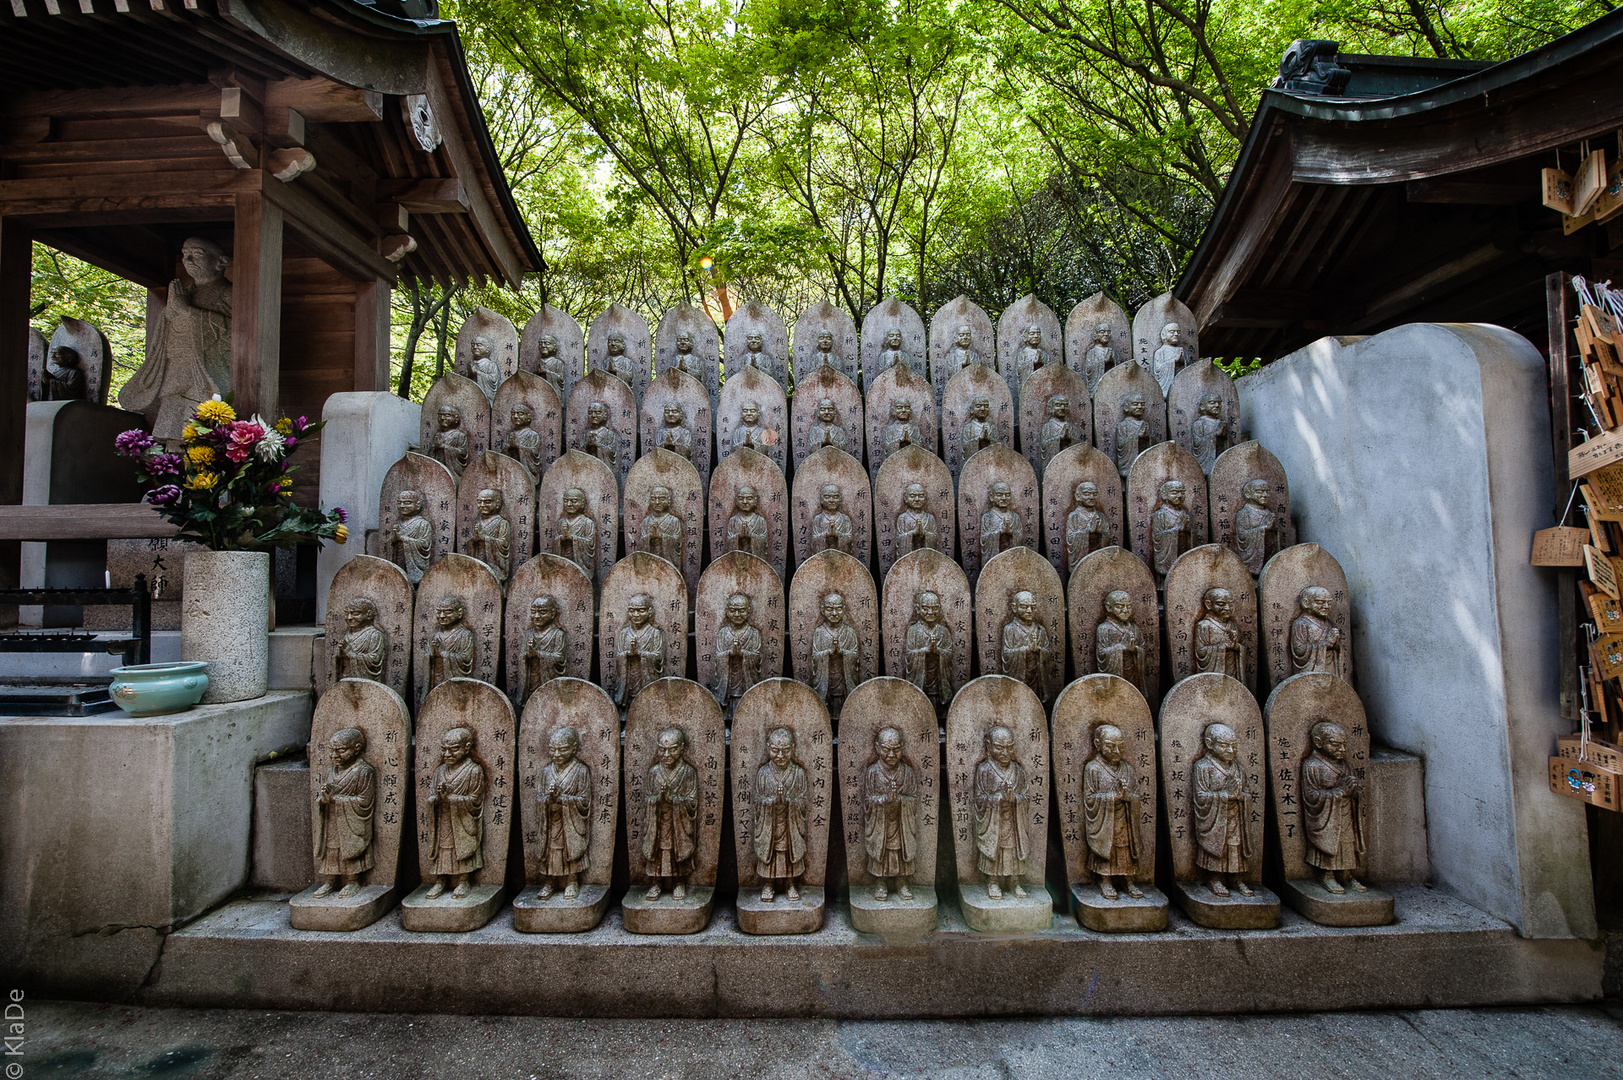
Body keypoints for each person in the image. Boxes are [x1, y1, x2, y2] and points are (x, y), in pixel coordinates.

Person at [119, 236, 232, 437]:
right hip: (175, 365)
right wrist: (170, 312)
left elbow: (236, 331)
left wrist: (188, 311)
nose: (188, 260)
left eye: (196, 254)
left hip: (206, 369)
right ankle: (170, 461)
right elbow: (167, 328)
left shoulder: (229, 293)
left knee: (203, 423)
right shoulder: (183, 293)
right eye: (184, 255)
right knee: (172, 424)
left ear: (221, 262)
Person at [1301, 721, 1367, 895]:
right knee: (1330, 843)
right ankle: (1327, 875)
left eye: (1344, 745)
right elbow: (1311, 795)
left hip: (1345, 812)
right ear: (1318, 742)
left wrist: (1354, 792)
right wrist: (1338, 792)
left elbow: (1356, 791)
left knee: (1346, 842)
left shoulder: (1345, 765)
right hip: (1326, 815)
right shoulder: (1312, 765)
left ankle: (1346, 874)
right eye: (1335, 744)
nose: (1342, 749)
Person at [311, 727, 376, 899]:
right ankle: (330, 880)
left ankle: (353, 881)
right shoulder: (330, 771)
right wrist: (324, 799)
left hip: (351, 821)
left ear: (356, 748)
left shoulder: (364, 771)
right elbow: (324, 796)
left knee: (349, 849)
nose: (334, 756)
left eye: (340, 751)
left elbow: (365, 801)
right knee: (332, 849)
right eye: (332, 751)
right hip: (332, 818)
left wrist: (338, 800)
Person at [1083, 724, 1144, 901]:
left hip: (1125, 819)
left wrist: (1127, 797)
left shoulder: (1128, 769)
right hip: (1105, 822)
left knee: (1125, 849)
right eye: (1111, 745)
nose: (1117, 750)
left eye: (1121, 746)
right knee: (1107, 850)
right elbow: (1090, 799)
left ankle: (1129, 880)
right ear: (1098, 744)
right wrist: (1111, 797)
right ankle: (1105, 880)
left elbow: (1137, 796)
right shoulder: (1093, 768)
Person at [1192, 722, 1254, 898]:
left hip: (1236, 816)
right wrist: (1224, 795)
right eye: (1224, 745)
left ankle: (1236, 878)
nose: (1230, 750)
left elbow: (1247, 793)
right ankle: (1215, 878)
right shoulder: (1203, 767)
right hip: (1215, 818)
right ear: (1210, 743)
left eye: (1233, 745)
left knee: (1235, 847)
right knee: (1218, 847)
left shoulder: (1238, 768)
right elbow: (1201, 797)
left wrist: (1241, 797)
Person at [425, 727, 486, 900]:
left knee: (460, 849)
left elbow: (475, 800)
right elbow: (431, 797)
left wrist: (452, 798)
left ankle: (463, 880)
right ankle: (440, 880)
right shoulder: (439, 771)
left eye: (453, 749)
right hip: (443, 818)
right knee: (443, 849)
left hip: (462, 820)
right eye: (444, 749)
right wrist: (436, 799)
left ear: (467, 748)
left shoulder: (473, 771)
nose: (447, 754)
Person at [973, 725, 1030, 900]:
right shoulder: (984, 770)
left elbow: (1026, 797)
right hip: (994, 822)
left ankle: (1014, 882)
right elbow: (980, 799)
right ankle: (993, 881)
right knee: (995, 851)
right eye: (999, 747)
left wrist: (1015, 799)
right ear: (989, 746)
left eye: (1009, 747)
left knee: (1013, 850)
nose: (1005, 752)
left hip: (1014, 821)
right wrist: (997, 798)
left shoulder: (1019, 771)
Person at [535, 727, 592, 900]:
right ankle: (549, 882)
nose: (557, 754)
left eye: (563, 749)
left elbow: (584, 800)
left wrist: (564, 799)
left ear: (574, 748)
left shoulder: (581, 771)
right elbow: (539, 797)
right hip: (551, 820)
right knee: (551, 851)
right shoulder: (546, 772)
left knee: (569, 849)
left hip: (570, 820)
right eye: (553, 749)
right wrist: (548, 799)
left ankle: (572, 881)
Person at [752, 727, 808, 903]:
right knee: (772, 854)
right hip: (770, 825)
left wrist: (790, 801)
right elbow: (758, 802)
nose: (780, 756)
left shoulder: (798, 773)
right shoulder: (763, 773)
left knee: (789, 853)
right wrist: (771, 802)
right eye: (775, 751)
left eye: (785, 751)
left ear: (793, 748)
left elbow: (803, 801)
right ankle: (768, 884)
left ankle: (791, 883)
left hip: (791, 824)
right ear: (768, 748)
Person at [642, 727, 698, 901]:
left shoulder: (688, 772)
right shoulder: (653, 772)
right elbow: (647, 798)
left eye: (672, 749)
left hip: (678, 823)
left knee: (676, 851)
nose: (666, 754)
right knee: (658, 851)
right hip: (658, 821)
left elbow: (692, 801)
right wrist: (658, 799)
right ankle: (656, 882)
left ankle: (679, 882)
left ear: (682, 748)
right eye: (662, 749)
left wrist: (674, 799)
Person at [863, 727, 918, 901]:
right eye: (887, 750)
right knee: (882, 853)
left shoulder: (907, 773)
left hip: (902, 824)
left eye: (896, 749)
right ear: (878, 747)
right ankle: (881, 883)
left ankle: (902, 882)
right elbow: (868, 800)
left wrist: (900, 800)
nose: (891, 754)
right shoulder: (872, 772)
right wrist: (884, 801)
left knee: (901, 852)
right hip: (881, 824)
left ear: (902, 747)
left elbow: (914, 799)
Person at [811, 592, 860, 716]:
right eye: (829, 609)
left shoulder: (850, 632)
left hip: (844, 677)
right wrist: (828, 653)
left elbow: (855, 656)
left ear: (844, 609)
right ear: (822, 610)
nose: (834, 613)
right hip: (826, 677)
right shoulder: (819, 632)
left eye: (838, 609)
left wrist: (843, 653)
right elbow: (815, 656)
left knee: (843, 702)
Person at [904, 590, 954, 707]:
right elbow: (909, 653)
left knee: (936, 702)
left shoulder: (943, 631)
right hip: (921, 677)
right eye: (926, 608)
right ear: (917, 609)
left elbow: (949, 653)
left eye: (935, 608)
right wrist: (924, 651)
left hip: (938, 677)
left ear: (940, 608)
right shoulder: (914, 631)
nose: (930, 612)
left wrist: (939, 652)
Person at [713, 593, 762, 710]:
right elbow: (718, 656)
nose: (737, 614)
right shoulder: (723, 633)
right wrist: (729, 653)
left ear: (749, 611)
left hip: (746, 679)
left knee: (746, 703)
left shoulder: (754, 633)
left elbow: (757, 657)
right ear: (727, 611)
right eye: (733, 610)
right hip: (728, 681)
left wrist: (743, 654)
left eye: (741, 611)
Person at [614, 594, 664, 706]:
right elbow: (618, 657)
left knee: (646, 700)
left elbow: (659, 657)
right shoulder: (624, 633)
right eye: (632, 611)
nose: (636, 615)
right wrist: (628, 654)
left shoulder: (655, 633)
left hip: (645, 677)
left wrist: (640, 653)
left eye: (641, 610)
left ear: (649, 612)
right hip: (628, 677)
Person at [1000, 590, 1051, 701]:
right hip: (1020, 674)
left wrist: (1039, 650)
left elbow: (1048, 651)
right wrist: (1024, 650)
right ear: (1014, 608)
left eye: (1033, 607)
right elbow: (1006, 654)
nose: (1029, 611)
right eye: (1024, 607)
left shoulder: (1040, 630)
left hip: (1037, 676)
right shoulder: (1010, 629)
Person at [1095, 590, 1145, 692]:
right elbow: (1101, 653)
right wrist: (1120, 647)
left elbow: (1142, 647)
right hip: (1117, 671)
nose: (1126, 610)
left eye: (1129, 606)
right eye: (1120, 606)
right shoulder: (1104, 628)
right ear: (1109, 607)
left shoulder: (1135, 628)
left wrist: (1135, 649)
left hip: (1133, 672)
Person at [1290, 586, 1344, 678]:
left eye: (1329, 603)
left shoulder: (1329, 624)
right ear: (1306, 603)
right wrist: (1326, 643)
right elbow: (1298, 650)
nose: (1326, 606)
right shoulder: (1302, 624)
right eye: (1320, 602)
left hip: (1329, 668)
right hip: (1312, 669)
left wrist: (1335, 645)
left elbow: (1335, 647)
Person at [519, 596, 567, 702]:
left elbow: (559, 658)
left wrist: (538, 653)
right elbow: (521, 657)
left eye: (542, 612)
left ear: (552, 613)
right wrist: (528, 654)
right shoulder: (528, 634)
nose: (536, 616)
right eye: (533, 612)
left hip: (547, 677)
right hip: (531, 678)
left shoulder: (558, 634)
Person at [1194, 587, 1244, 679]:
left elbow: (1242, 648)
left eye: (1230, 604)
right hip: (1215, 671)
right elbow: (1200, 651)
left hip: (1232, 671)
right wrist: (1223, 647)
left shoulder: (1233, 625)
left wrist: (1236, 646)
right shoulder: (1204, 625)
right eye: (1221, 604)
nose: (1227, 608)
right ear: (1208, 604)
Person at [427, 597, 475, 689]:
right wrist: (432, 654)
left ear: (459, 612)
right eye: (439, 612)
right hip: (436, 679)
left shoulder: (464, 635)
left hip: (453, 680)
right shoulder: (435, 635)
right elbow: (428, 656)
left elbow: (466, 659)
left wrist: (443, 653)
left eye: (447, 612)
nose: (441, 616)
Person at [336, 598, 387, 683]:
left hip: (366, 681)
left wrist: (351, 653)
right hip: (346, 677)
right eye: (346, 613)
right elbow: (340, 660)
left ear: (369, 614)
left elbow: (375, 660)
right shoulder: (346, 635)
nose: (349, 618)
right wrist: (341, 653)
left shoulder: (374, 635)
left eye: (355, 613)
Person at [388, 489, 433, 584]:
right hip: (400, 560)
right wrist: (394, 541)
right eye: (399, 503)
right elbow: (392, 545)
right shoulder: (398, 523)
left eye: (407, 503)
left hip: (415, 564)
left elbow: (425, 544)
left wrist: (403, 538)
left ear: (417, 505)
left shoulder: (422, 524)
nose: (402, 506)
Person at [1234, 478, 1278, 574]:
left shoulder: (1269, 513)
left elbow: (1275, 536)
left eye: (1267, 492)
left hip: (1267, 553)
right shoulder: (1244, 513)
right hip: (1251, 557)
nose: (1264, 495)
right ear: (1248, 494)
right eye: (1259, 492)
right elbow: (1242, 535)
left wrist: (1273, 529)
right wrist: (1264, 528)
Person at [1150, 479, 1191, 578]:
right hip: (1168, 556)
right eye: (1174, 492)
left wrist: (1189, 531)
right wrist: (1178, 530)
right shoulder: (1160, 515)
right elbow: (1157, 538)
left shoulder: (1185, 514)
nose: (1179, 496)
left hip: (1183, 551)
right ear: (1164, 495)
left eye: (1182, 493)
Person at [1065, 481, 1109, 573]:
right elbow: (1070, 539)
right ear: (1078, 496)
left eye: (1094, 494)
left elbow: (1107, 538)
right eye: (1087, 494)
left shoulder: (1101, 516)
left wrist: (1101, 532)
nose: (1091, 497)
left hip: (1098, 557)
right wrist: (1087, 531)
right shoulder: (1074, 516)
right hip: (1082, 556)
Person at [469, 489, 512, 581]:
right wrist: (474, 540)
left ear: (497, 504)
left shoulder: (502, 523)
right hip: (478, 558)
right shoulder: (477, 522)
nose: (482, 505)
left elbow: (504, 544)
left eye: (487, 502)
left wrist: (485, 538)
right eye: (479, 502)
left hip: (493, 563)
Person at [556, 487, 597, 577]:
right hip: (564, 560)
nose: (569, 504)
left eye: (574, 501)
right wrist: (561, 539)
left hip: (580, 562)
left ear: (582, 503)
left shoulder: (587, 522)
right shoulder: (561, 522)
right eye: (566, 501)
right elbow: (555, 542)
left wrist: (573, 538)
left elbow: (590, 543)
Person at [638, 485, 683, 565]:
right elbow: (641, 543)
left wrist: (661, 536)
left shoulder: (673, 521)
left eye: (661, 499)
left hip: (668, 561)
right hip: (650, 562)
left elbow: (677, 543)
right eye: (653, 499)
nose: (657, 502)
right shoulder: (646, 521)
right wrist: (650, 537)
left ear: (668, 501)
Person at [980, 481, 1022, 556]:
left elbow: (1020, 538)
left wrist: (1010, 532)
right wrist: (1000, 532)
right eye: (999, 495)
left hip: (1011, 557)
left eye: (1007, 495)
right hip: (994, 557)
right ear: (991, 497)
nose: (1004, 498)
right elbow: (984, 539)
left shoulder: (1015, 517)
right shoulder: (987, 517)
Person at [895, 483, 939, 554]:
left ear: (925, 498)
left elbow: (935, 539)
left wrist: (924, 533)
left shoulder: (930, 518)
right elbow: (898, 540)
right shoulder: (902, 518)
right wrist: (913, 533)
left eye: (920, 496)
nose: (917, 499)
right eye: (912, 496)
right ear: (906, 498)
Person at [725, 485, 768, 557]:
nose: (745, 502)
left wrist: (751, 535)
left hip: (755, 561)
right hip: (737, 560)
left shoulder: (760, 520)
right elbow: (729, 542)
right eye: (741, 498)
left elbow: (764, 542)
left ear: (755, 500)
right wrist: (738, 536)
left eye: (749, 498)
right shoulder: (733, 520)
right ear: (736, 500)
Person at [810, 484, 853, 555]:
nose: (831, 500)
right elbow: (814, 540)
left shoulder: (845, 519)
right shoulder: (818, 519)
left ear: (840, 499)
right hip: (823, 556)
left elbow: (849, 539)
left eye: (835, 497)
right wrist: (826, 534)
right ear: (821, 499)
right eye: (827, 497)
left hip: (841, 556)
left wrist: (837, 534)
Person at [430, 405, 469, 482]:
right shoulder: (437, 435)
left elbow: (463, 452)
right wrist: (434, 448)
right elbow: (431, 454)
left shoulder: (459, 435)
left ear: (456, 418)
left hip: (453, 470)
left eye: (447, 415)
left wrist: (444, 447)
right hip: (438, 470)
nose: (442, 418)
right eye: (440, 415)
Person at [504, 403, 544, 477]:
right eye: (513, 414)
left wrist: (518, 446)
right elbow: (503, 456)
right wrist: (508, 447)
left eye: (520, 414)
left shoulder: (532, 434)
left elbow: (534, 453)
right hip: (511, 471)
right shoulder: (509, 434)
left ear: (528, 417)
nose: (516, 416)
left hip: (525, 472)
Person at [1114, 394, 1148, 479]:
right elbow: (1121, 446)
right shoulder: (1123, 425)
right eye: (1135, 404)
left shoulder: (1145, 425)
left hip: (1143, 462)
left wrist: (1146, 438)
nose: (1140, 407)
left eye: (1142, 404)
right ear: (1126, 407)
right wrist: (1136, 438)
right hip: (1129, 462)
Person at [1190, 393, 1226, 474]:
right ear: (1202, 406)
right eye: (1212, 402)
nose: (1217, 405)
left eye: (1219, 403)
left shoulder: (1221, 423)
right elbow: (1197, 444)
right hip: (1205, 462)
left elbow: (1225, 445)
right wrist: (1215, 434)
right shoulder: (1199, 424)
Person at [1039, 396, 1079, 464]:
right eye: (1058, 405)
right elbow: (1044, 446)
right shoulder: (1048, 426)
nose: (1062, 408)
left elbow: (1078, 447)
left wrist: (1070, 438)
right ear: (1051, 408)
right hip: (1054, 462)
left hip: (1069, 462)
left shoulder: (1072, 427)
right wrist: (1060, 438)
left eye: (1065, 405)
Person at [581, 401, 618, 470]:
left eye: (597, 413)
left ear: (605, 415)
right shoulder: (585, 434)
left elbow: (612, 453)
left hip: (602, 468)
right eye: (590, 413)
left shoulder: (609, 433)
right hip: (588, 467)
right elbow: (580, 454)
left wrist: (597, 444)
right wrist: (587, 444)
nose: (593, 415)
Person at [1151, 322, 1186, 395]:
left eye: (1178, 332)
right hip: (1167, 385)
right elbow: (1158, 369)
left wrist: (1183, 360)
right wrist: (1174, 361)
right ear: (1163, 335)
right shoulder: (1160, 352)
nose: (1176, 334)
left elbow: (1187, 368)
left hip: (1180, 384)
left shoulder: (1181, 350)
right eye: (1172, 332)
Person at [960, 395, 996, 461]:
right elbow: (964, 448)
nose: (982, 409)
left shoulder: (992, 427)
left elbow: (998, 448)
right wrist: (979, 439)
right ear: (972, 410)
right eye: (978, 406)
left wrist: (988, 439)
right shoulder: (968, 428)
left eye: (986, 406)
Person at [1082, 321, 1115, 392]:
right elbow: (1089, 369)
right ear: (1095, 335)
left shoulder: (1112, 351)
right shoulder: (1092, 352)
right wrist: (1103, 362)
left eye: (1108, 332)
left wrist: (1112, 361)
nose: (1106, 334)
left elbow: (1117, 369)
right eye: (1102, 331)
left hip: (1110, 386)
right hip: (1096, 386)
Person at [468, 334, 501, 402]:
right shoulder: (470, 364)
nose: (475, 347)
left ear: (487, 348)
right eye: (473, 345)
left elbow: (493, 380)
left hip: (485, 400)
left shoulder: (491, 365)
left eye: (479, 345)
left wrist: (477, 373)